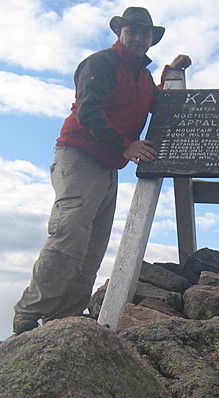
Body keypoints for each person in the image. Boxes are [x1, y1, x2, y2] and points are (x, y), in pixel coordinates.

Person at [12, 7, 191, 334]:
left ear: (151, 39)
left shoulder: (142, 75)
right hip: (79, 155)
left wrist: (170, 73)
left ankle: (64, 319)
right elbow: (88, 111)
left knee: (93, 244)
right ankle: (28, 313)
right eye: (132, 31)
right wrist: (125, 145)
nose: (138, 38)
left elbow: (155, 102)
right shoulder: (102, 63)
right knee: (70, 231)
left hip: (109, 164)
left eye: (145, 33)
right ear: (119, 33)